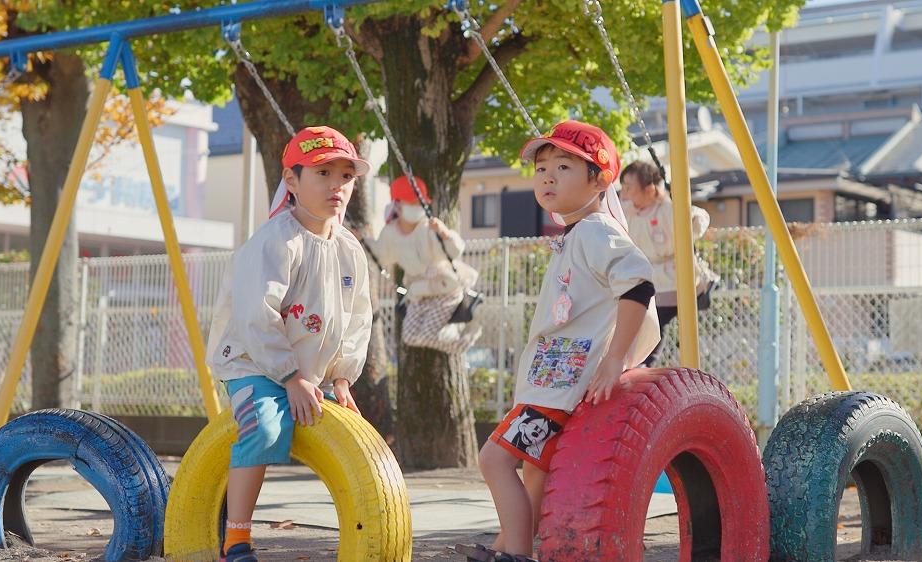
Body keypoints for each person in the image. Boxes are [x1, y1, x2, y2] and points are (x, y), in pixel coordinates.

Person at [467, 120, 660, 562]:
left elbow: (638, 286)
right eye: (541, 168)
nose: (548, 176)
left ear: (600, 179)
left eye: (564, 166)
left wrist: (616, 360)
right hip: (555, 379)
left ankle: (515, 551)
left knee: (494, 460)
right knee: (535, 470)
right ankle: (509, 546)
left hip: (561, 387)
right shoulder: (576, 234)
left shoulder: (596, 230)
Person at [206, 125, 373, 562]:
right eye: (323, 173)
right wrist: (290, 376)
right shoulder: (275, 241)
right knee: (263, 427)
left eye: (346, 176)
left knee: (357, 440)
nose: (336, 185)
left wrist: (341, 377)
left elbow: (357, 318)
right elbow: (255, 315)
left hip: (310, 371)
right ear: (292, 181)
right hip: (254, 363)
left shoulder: (350, 249)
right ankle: (236, 537)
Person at [367, 175, 481, 355]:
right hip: (418, 290)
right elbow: (381, 253)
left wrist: (444, 233)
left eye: (418, 203)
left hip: (443, 287)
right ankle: (455, 337)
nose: (415, 207)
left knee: (428, 336)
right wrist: (360, 240)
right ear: (397, 204)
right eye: (410, 203)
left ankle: (461, 335)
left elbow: (454, 251)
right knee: (410, 336)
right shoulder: (390, 233)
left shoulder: (429, 227)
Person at [620, 160, 717, 366]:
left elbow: (698, 218)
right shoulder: (628, 212)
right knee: (654, 324)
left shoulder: (667, 209)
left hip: (676, 277)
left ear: (649, 189)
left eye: (630, 187)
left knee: (661, 323)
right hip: (653, 280)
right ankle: (646, 362)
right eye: (624, 187)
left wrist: (691, 221)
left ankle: (650, 361)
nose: (625, 192)